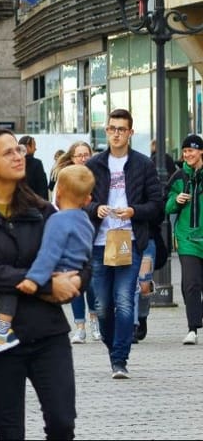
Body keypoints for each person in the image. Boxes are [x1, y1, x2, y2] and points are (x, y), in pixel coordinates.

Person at [0, 130, 82, 441]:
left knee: (63, 423)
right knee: (10, 432)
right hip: (0, 337)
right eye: (8, 152)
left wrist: (76, 279)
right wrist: (48, 285)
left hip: (48, 333)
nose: (18, 156)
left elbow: (77, 257)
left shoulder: (40, 209)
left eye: (20, 150)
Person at [0, 163, 94, 356]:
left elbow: (49, 254)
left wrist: (33, 280)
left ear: (59, 193)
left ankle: (2, 331)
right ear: (88, 198)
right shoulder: (85, 220)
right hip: (73, 273)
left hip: (55, 271)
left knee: (11, 286)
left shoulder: (58, 220)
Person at [85, 107, 161, 378]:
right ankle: (113, 346)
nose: (116, 134)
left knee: (125, 300)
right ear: (106, 131)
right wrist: (96, 208)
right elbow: (79, 201)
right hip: (99, 242)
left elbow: (157, 206)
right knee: (102, 305)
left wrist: (134, 211)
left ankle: (120, 359)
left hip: (130, 239)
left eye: (121, 129)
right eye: (111, 129)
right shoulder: (93, 165)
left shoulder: (143, 164)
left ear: (130, 132)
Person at [51, 140, 95, 342]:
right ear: (72, 158)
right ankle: (80, 326)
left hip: (93, 231)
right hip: (70, 234)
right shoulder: (65, 177)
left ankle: (95, 321)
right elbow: (56, 204)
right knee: (74, 279)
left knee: (92, 282)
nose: (84, 158)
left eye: (86, 154)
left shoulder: (95, 176)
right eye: (79, 155)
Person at [166, 133, 203, 344]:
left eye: (191, 150)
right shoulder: (179, 177)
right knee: (190, 283)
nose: (187, 154)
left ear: (201, 152)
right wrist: (176, 200)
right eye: (185, 151)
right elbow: (166, 204)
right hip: (186, 237)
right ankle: (193, 329)